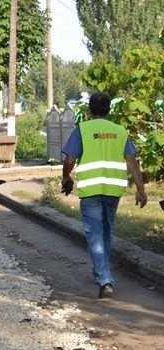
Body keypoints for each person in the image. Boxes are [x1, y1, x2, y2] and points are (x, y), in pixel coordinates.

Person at [62, 91, 147, 299]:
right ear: (109, 110)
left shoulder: (83, 129)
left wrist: (65, 177)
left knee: (95, 235)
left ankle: (105, 279)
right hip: (113, 190)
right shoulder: (119, 131)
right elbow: (132, 161)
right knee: (106, 232)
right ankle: (101, 272)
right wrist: (140, 189)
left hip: (91, 190)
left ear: (90, 110)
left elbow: (70, 159)